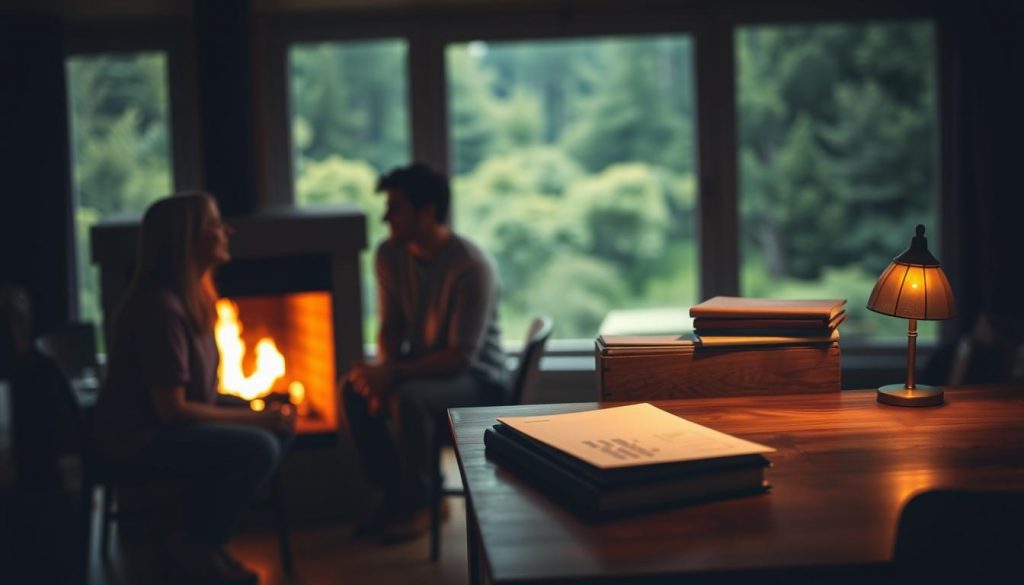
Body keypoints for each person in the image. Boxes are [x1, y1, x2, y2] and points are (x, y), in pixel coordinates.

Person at [94, 192, 294, 585]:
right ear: (187, 240)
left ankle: (198, 537)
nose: (228, 231)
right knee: (261, 444)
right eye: (216, 225)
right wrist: (254, 420)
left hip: (169, 426)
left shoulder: (193, 300)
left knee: (280, 424)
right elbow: (172, 409)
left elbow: (200, 394)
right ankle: (194, 545)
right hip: (137, 439)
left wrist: (261, 412)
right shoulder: (160, 308)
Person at [343, 163, 509, 543]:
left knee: (409, 400)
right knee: (352, 388)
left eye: (396, 207)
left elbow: (461, 356)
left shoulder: (471, 266)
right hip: (423, 370)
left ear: (428, 212)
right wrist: (383, 372)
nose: (385, 217)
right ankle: (396, 495)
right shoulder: (389, 254)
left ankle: (424, 503)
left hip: (477, 380)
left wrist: (394, 375)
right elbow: (390, 327)